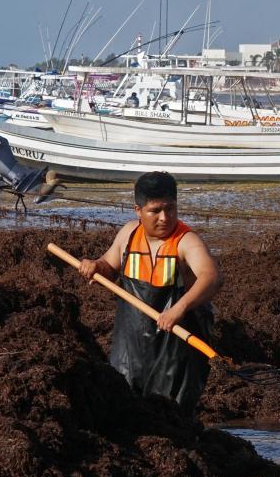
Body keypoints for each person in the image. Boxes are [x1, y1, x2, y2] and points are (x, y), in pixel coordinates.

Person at [78, 171, 222, 413]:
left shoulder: (186, 242)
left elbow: (212, 277)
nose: (165, 217)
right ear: (138, 210)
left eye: (170, 208)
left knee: (171, 416)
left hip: (174, 351)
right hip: (130, 346)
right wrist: (94, 266)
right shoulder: (128, 234)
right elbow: (108, 266)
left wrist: (178, 309)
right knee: (124, 410)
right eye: (155, 211)